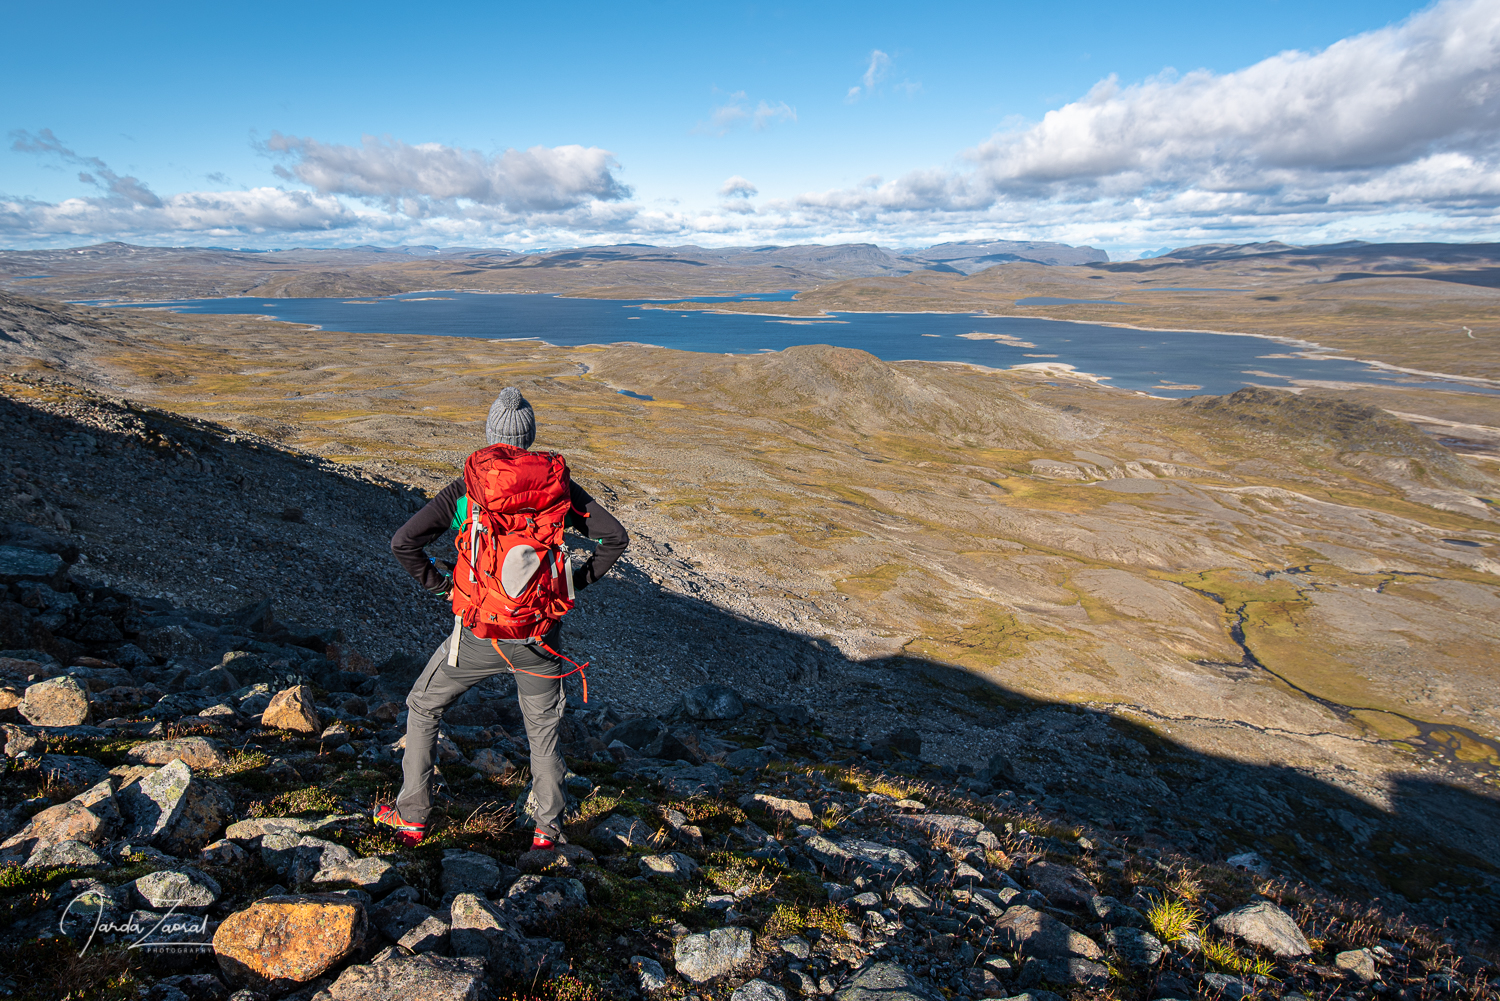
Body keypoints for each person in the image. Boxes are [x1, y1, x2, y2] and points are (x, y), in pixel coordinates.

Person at [374, 387, 629, 848]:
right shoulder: (559, 490)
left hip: (477, 635)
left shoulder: (467, 490)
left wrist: (444, 585)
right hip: (538, 636)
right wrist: (569, 584)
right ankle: (547, 833)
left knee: (423, 706)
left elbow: (403, 543)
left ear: (491, 434)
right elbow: (615, 539)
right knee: (544, 731)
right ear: (528, 437)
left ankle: (412, 817)